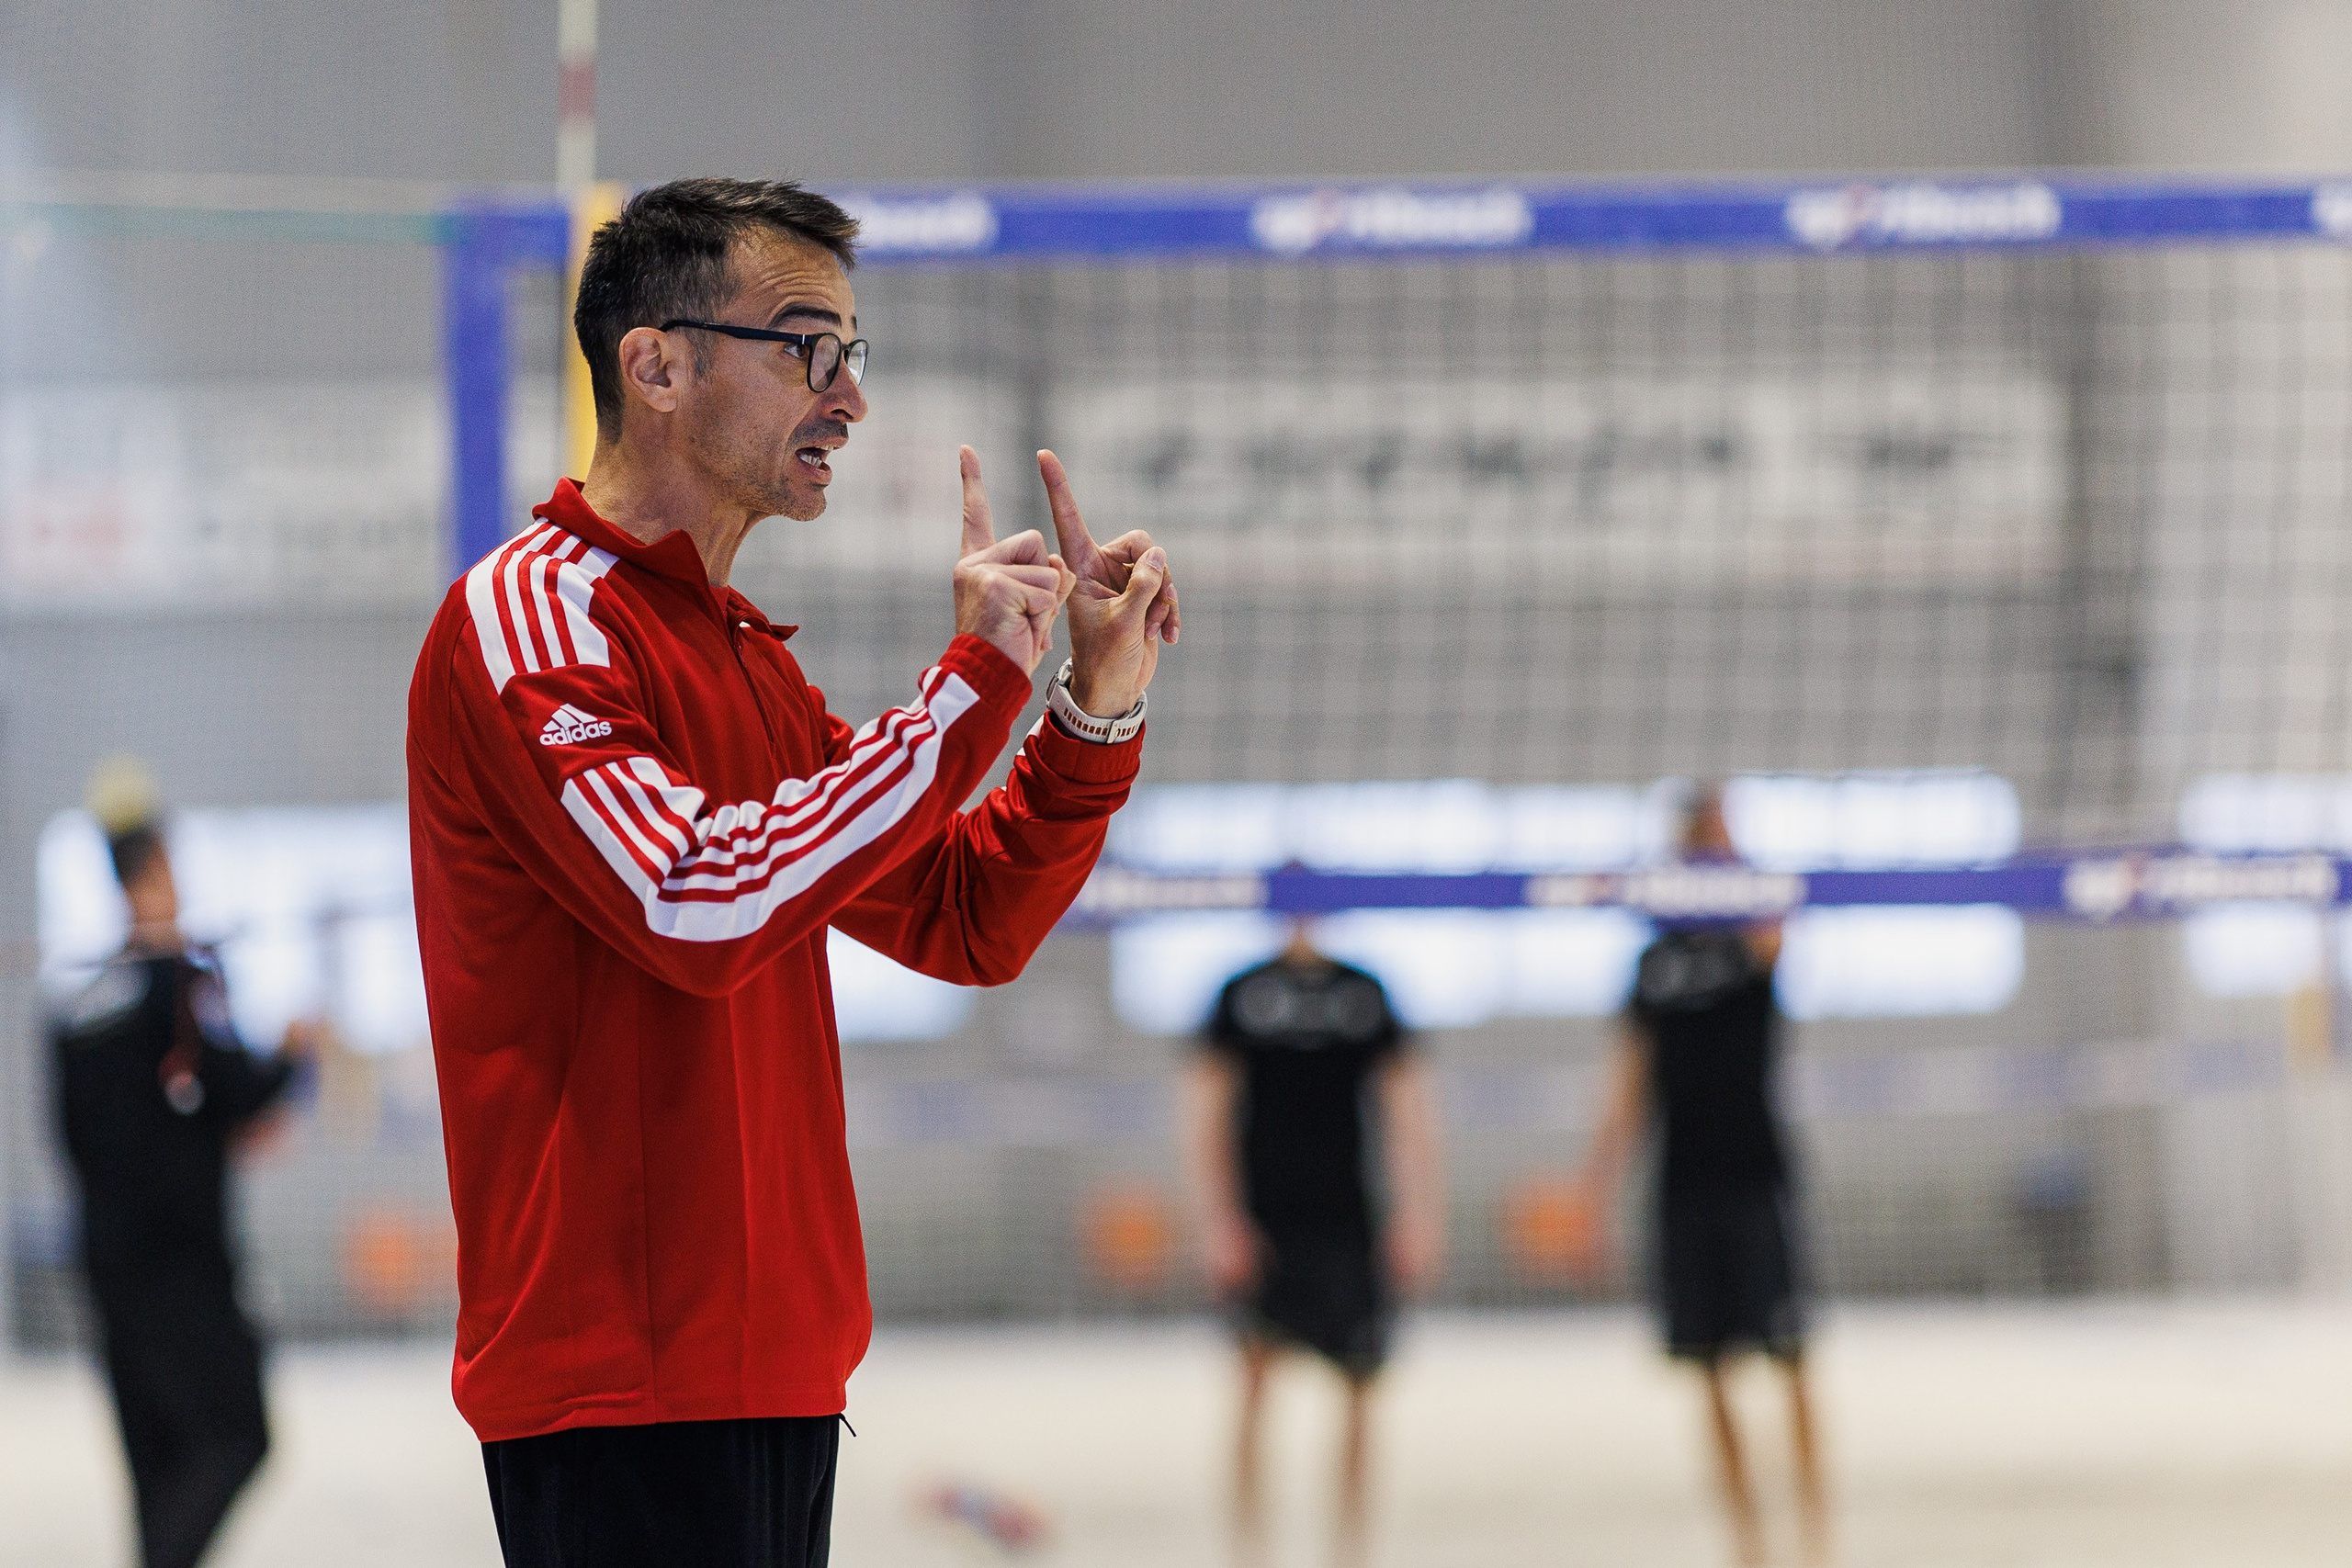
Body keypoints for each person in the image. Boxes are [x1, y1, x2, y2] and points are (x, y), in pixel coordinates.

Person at [407, 177, 1178, 1568]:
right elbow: (692, 901)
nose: (850, 399)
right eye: (808, 350)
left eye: (851, 354)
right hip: (617, 1387)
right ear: (657, 366)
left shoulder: (746, 658)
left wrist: (1090, 709)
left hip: (776, 1371)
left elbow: (966, 917)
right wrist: (968, 688)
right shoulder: (528, 617)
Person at [49, 764, 317, 1568]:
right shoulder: (178, 983)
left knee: (157, 1465)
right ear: (154, 871)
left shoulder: (79, 999)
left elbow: (71, 1133)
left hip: (106, 1261)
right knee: (238, 1435)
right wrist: (295, 1056)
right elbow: (236, 1090)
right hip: (183, 1265)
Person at [1566, 784, 1828, 1567]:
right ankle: (1748, 1539)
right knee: (1708, 1368)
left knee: (1789, 1357)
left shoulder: (1754, 936)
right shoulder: (1653, 964)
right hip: (1682, 1179)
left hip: (1756, 1169)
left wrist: (1725, 856)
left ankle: (1814, 1534)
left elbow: (1777, 916)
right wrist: (1593, 1192)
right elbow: (1626, 1085)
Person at [1181, 920, 1445, 1568]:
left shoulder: (1364, 992)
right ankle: (1249, 1549)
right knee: (1254, 1380)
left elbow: (1408, 1109)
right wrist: (1219, 1219)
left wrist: (1417, 1213)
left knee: (1359, 1384)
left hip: (1347, 1217)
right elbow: (1205, 1112)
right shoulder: (1241, 993)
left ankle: (1350, 1549)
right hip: (1266, 1220)